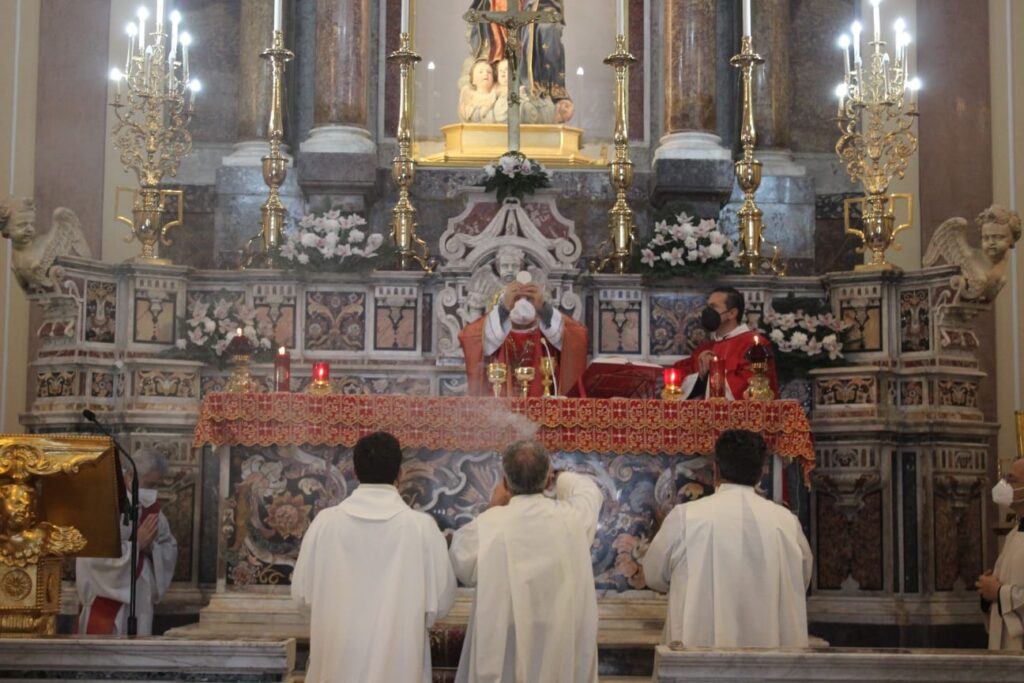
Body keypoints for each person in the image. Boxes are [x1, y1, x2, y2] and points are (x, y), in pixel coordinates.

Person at [291, 432, 456, 682]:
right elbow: (442, 603)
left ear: (355, 473)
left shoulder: (325, 524)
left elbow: (301, 597)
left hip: (336, 667)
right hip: (400, 669)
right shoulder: (421, 528)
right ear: (399, 474)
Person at [642, 429, 812, 648]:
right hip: (772, 658)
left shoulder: (686, 518)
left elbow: (654, 574)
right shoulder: (786, 523)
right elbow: (801, 577)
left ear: (716, 470)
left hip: (698, 655)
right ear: (761, 473)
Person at [450, 439, 602, 682]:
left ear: (505, 483)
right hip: (556, 636)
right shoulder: (572, 520)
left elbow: (461, 560)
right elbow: (589, 491)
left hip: (505, 641)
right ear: (548, 481)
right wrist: (559, 476)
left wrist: (493, 505)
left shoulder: (490, 524)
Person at [76, 447, 178, 636]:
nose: (153, 492)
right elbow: (91, 556)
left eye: (157, 486)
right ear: (130, 474)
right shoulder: (105, 501)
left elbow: (168, 547)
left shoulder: (152, 510)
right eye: (150, 484)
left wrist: (151, 550)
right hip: (106, 600)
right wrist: (136, 544)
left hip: (140, 599)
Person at [458, 263, 587, 397]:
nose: (522, 303)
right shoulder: (496, 329)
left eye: (529, 300)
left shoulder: (546, 335)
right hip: (499, 410)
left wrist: (544, 308)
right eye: (516, 299)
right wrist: (504, 310)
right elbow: (470, 337)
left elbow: (577, 337)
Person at [671, 286, 779, 400]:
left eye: (713, 307)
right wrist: (701, 377)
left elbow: (751, 388)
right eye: (707, 307)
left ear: (732, 313)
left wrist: (712, 374)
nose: (707, 312)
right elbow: (677, 383)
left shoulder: (755, 345)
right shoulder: (705, 347)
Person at [977, 456, 1024, 650]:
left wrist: (997, 592)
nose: (1003, 485)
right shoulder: (1014, 535)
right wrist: (987, 596)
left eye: (1011, 480)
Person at [459, 58, 500, 123]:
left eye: (489, 72)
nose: (485, 74)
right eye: (480, 72)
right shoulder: (469, 98)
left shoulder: (496, 96)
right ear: (473, 80)